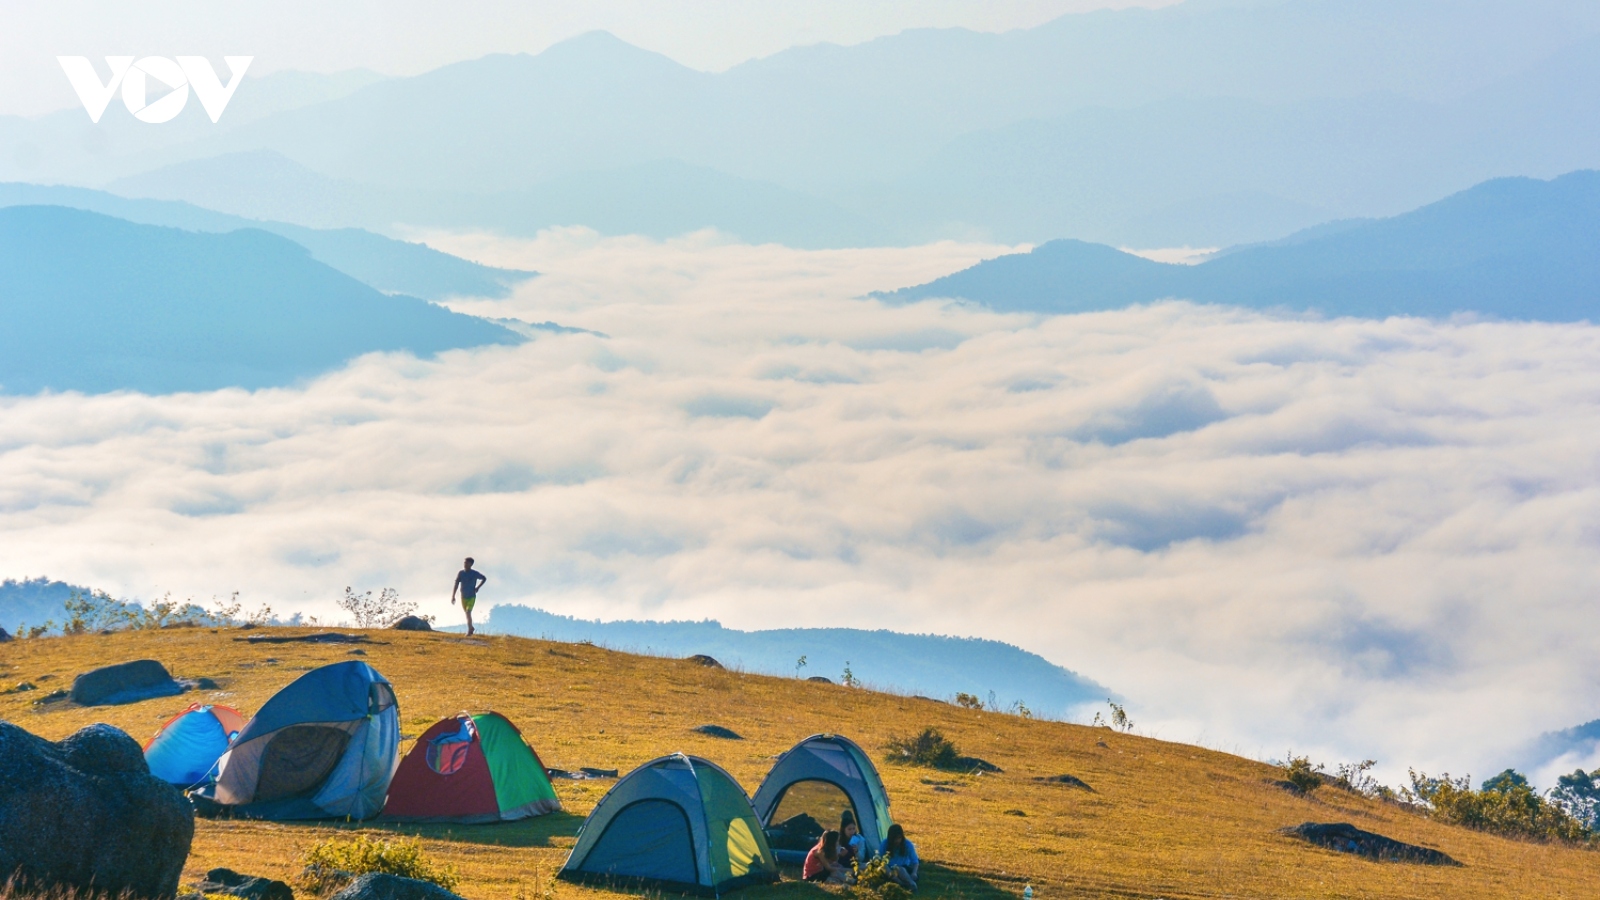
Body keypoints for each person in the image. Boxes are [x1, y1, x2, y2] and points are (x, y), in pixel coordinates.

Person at [451, 557, 487, 636]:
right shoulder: (461, 573)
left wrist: (478, 587)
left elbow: (484, 578)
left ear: (471, 564)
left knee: (468, 612)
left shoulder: (474, 573)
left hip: (471, 596)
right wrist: (453, 596)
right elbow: (456, 584)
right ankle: (471, 627)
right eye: (464, 563)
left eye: (467, 563)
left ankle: (469, 631)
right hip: (463, 596)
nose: (465, 564)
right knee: (467, 613)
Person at [883, 823, 919, 892]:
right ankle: (901, 883)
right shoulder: (884, 844)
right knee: (885, 867)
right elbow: (882, 861)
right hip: (889, 869)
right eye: (894, 839)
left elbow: (915, 861)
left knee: (900, 869)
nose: (897, 841)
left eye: (899, 838)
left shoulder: (907, 845)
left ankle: (911, 884)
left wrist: (914, 873)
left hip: (904, 868)